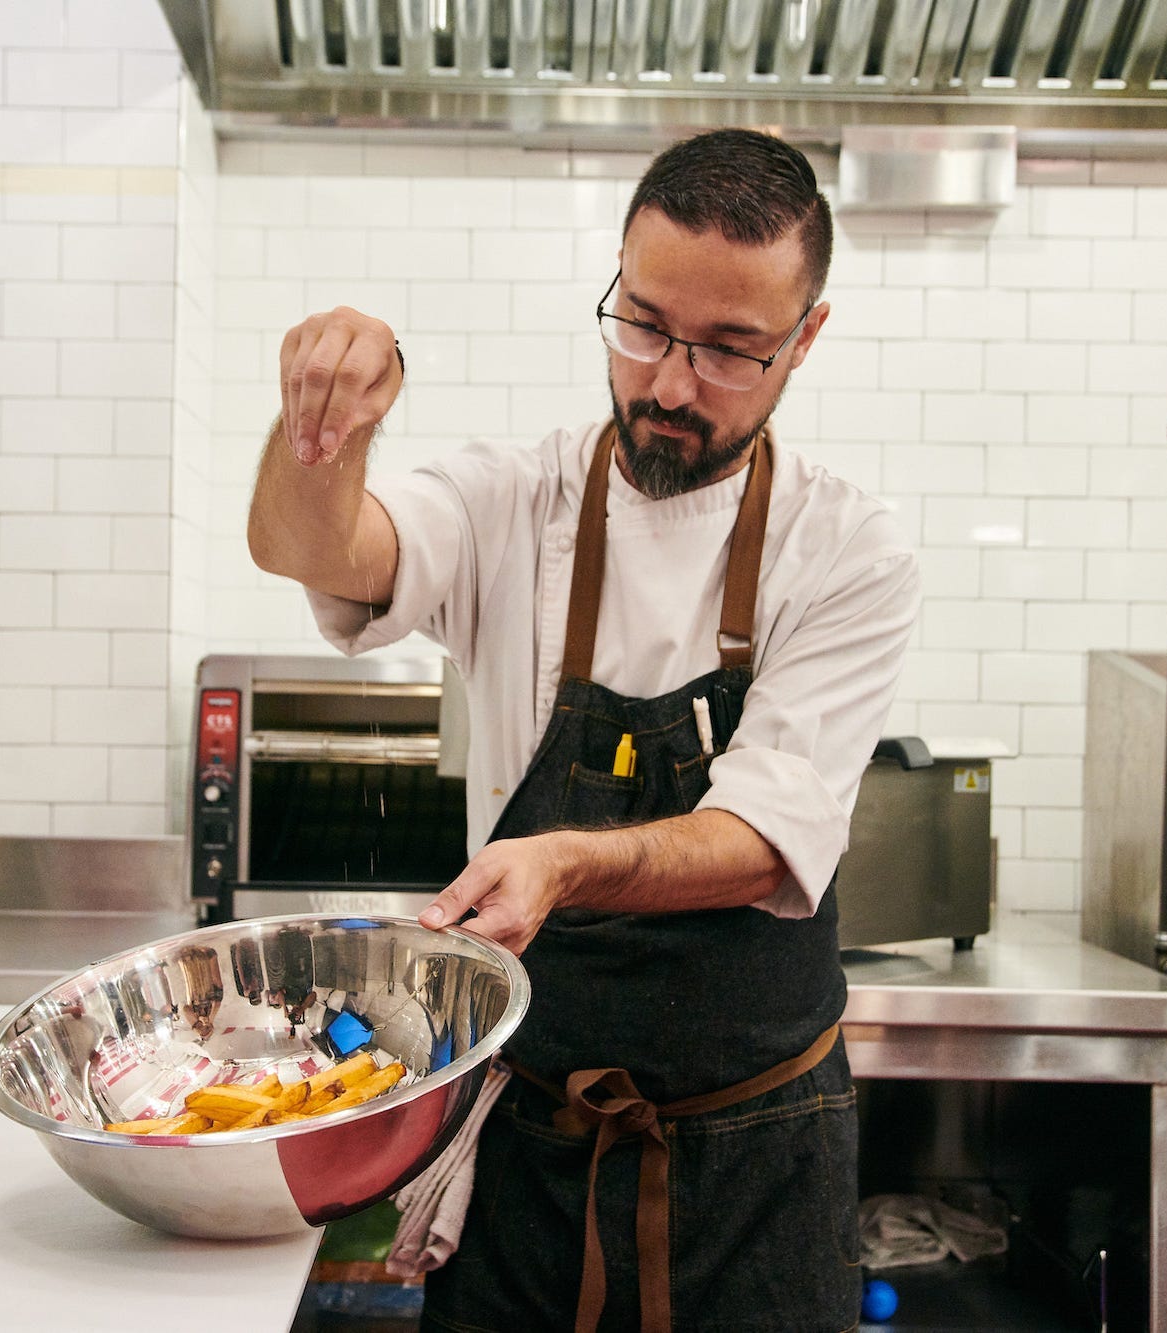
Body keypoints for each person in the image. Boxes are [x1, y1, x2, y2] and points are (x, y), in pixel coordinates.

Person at [248, 128, 920, 1333]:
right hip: (527, 1156)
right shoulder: (516, 501)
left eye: (727, 350)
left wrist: (565, 861)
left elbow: (766, 840)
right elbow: (315, 549)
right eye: (644, 324)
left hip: (756, 1164)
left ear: (803, 339)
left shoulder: (846, 548)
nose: (668, 382)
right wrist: (323, 427)